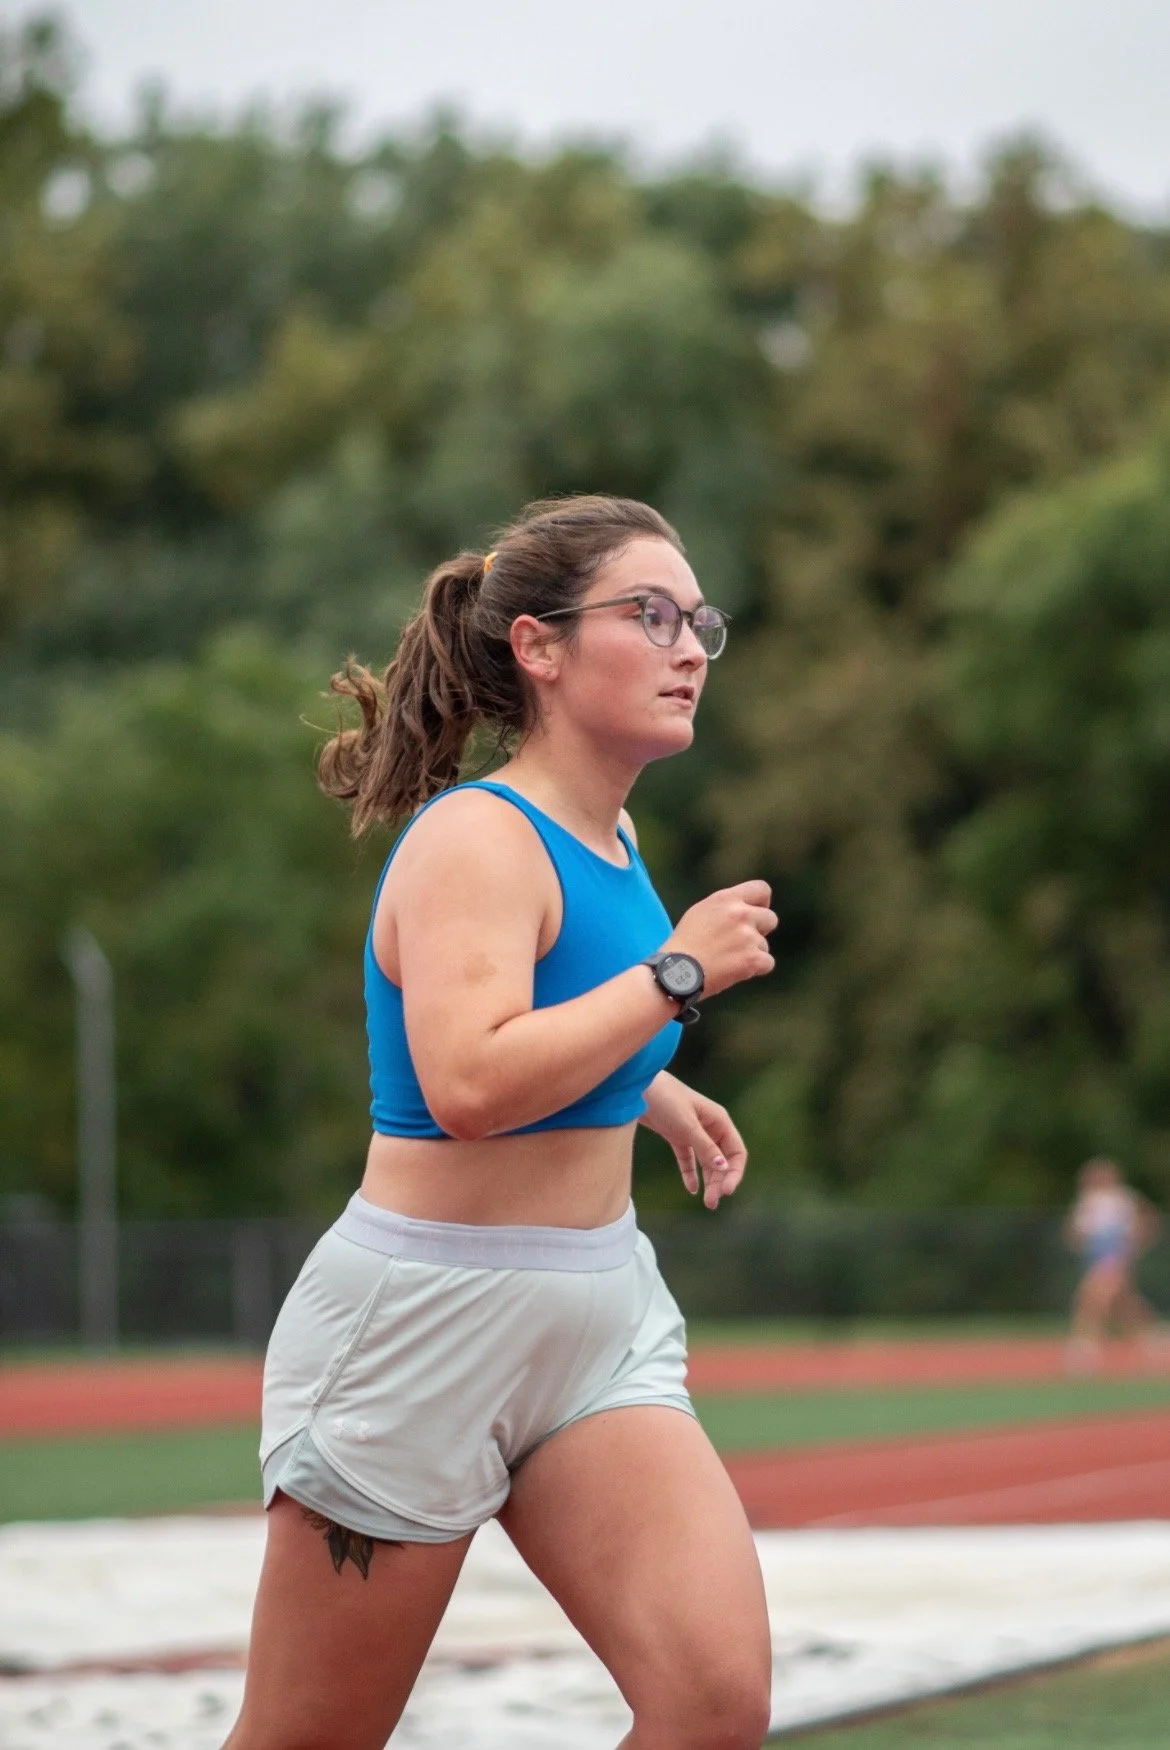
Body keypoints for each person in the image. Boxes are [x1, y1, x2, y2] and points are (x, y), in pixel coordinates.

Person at [224, 495, 779, 1750]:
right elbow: (468, 1083)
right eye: (650, 615)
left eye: (699, 620)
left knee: (712, 1702)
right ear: (539, 646)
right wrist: (676, 976)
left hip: (595, 1317)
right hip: (420, 1326)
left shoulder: (614, 830)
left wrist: (652, 1088)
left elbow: (553, 1018)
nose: (690, 645)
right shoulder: (479, 834)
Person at [1064, 1157, 1162, 1371]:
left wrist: (1135, 1243)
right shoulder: (1086, 1202)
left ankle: (1085, 1347)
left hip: (1115, 1257)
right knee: (1123, 1304)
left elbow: (1147, 1220)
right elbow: (1075, 1233)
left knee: (1091, 1296)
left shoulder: (1122, 1199)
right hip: (1095, 1258)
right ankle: (1152, 1338)